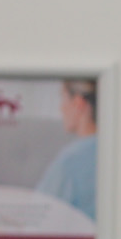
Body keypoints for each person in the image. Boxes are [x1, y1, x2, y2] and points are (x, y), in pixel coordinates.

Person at [34, 79, 98, 219]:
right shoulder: (118, 151)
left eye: (63, 99)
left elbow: (38, 216)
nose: (61, 108)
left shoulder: (72, 160)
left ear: (78, 103)